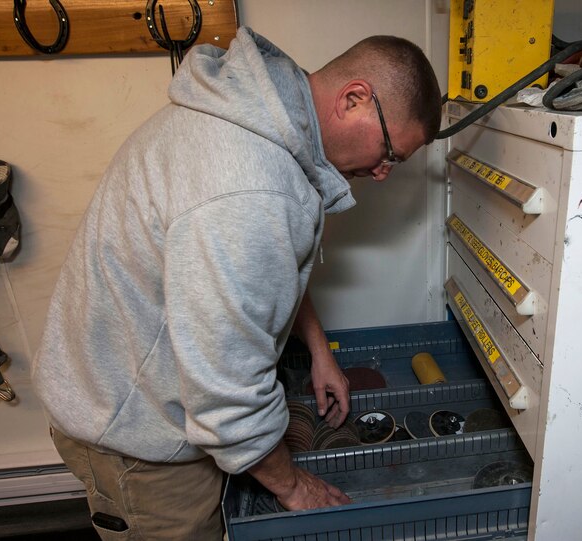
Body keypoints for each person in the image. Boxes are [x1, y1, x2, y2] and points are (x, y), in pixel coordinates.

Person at [31, 27, 441, 540]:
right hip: (137, 441)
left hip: (143, 396)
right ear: (354, 99)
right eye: (391, 154)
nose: (383, 173)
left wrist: (319, 350)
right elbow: (225, 397)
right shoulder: (249, 187)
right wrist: (294, 486)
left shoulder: (265, 122)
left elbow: (271, 272)